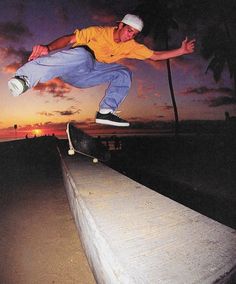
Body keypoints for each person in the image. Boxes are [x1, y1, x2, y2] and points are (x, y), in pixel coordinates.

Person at [8, 14, 195, 127]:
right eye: (129, 31)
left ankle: (106, 111)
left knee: (123, 73)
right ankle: (24, 79)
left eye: (135, 34)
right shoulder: (98, 32)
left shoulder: (131, 45)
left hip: (88, 75)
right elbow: (69, 39)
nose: (130, 37)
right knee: (83, 54)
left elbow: (154, 56)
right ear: (120, 25)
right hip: (74, 64)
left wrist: (181, 50)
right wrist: (48, 48)